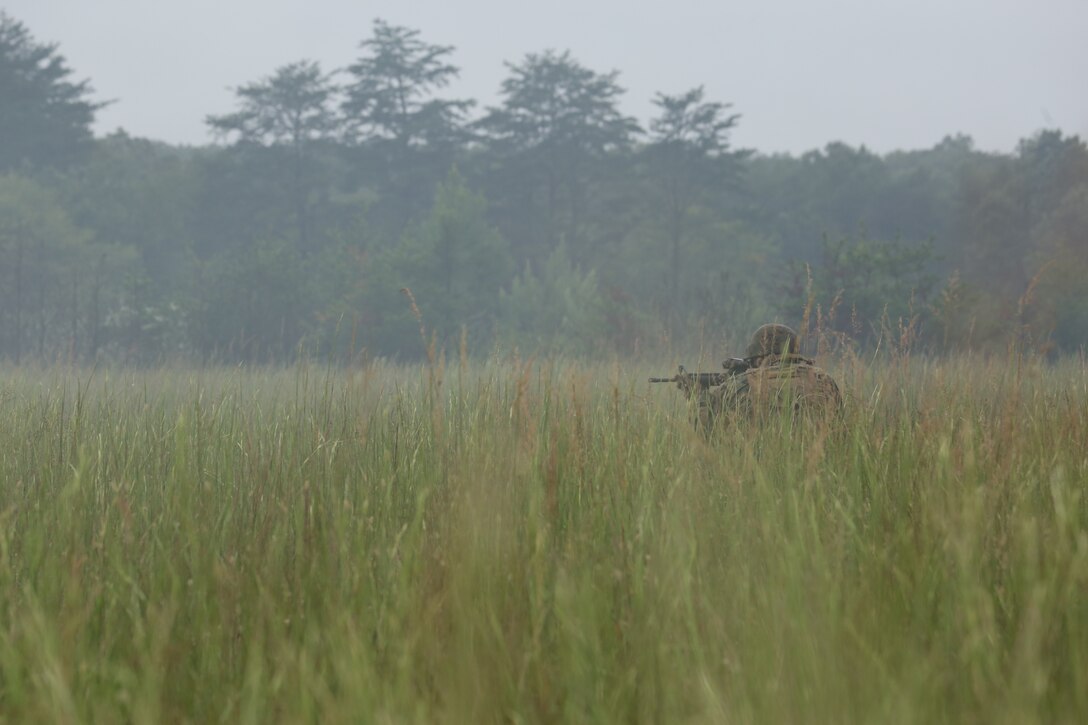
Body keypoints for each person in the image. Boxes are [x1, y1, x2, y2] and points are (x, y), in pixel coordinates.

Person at [696, 324, 842, 432]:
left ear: (759, 360)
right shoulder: (823, 379)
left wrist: (698, 395)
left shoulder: (742, 383)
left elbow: (704, 429)